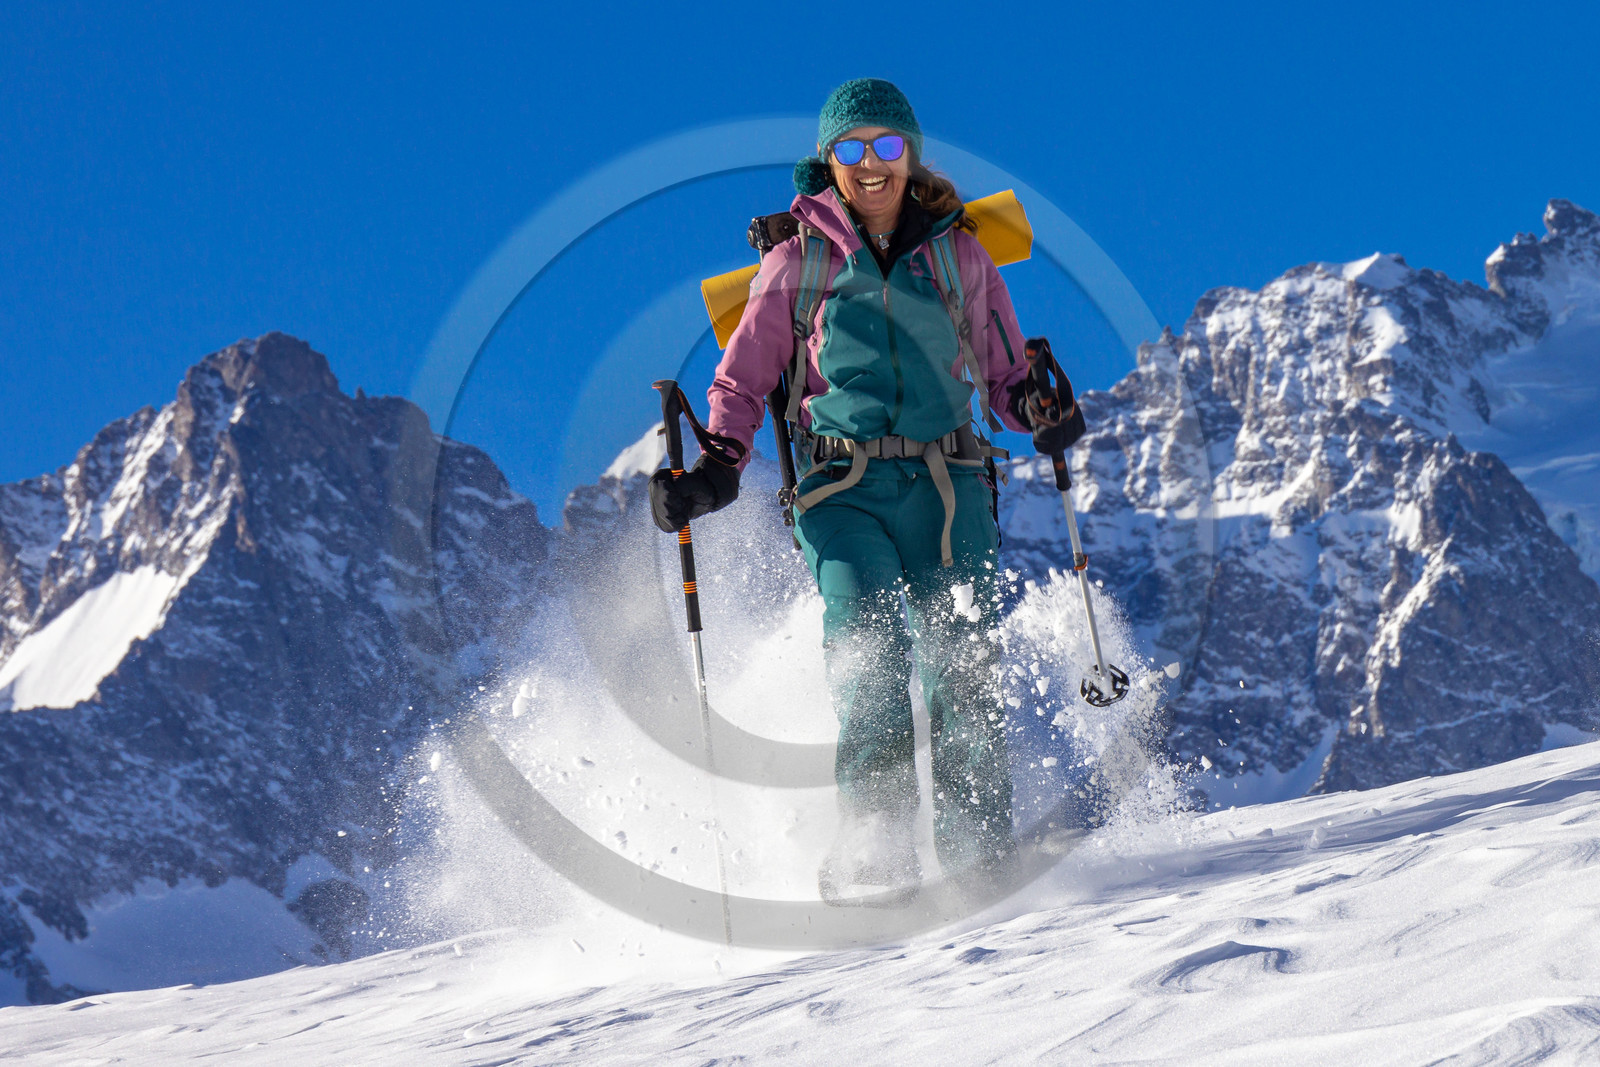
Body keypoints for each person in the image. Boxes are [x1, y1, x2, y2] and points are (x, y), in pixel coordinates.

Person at [650, 78, 1079, 905]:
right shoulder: (796, 260)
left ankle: (979, 858)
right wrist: (714, 468)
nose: (872, 164)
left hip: (950, 485)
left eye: (888, 146)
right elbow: (742, 382)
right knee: (871, 649)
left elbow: (1004, 375)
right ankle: (877, 852)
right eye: (853, 149)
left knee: (966, 667)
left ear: (910, 156)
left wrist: (1038, 408)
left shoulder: (962, 255)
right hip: (839, 489)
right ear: (830, 161)